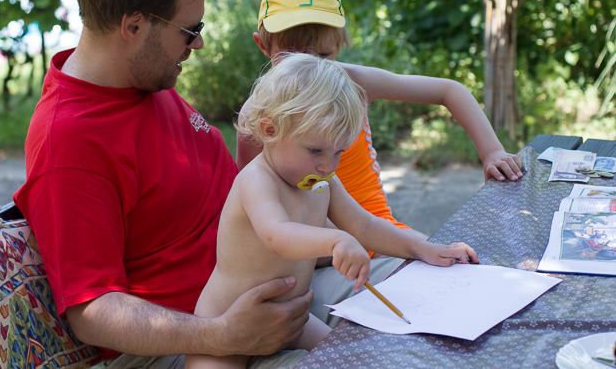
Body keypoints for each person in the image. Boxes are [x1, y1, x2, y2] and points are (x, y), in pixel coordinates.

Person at [12, 0, 412, 369]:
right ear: (133, 27)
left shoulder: (142, 80)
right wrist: (223, 333)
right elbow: (92, 312)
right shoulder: (69, 142)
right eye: (190, 30)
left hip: (277, 290)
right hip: (196, 339)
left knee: (422, 292)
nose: (197, 44)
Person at [185, 54, 478, 369]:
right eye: (315, 150)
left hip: (291, 320)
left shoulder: (322, 180)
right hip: (228, 329)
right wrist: (336, 240)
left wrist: (422, 247)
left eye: (339, 152)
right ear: (270, 130)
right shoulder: (256, 180)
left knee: (354, 360)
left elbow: (364, 226)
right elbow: (277, 235)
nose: (328, 165)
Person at [238, 0, 524, 247]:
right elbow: (251, 200)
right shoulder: (256, 116)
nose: (310, 67)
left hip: (379, 233)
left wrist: (492, 152)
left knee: (460, 263)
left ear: (339, 44)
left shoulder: (355, 83)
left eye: (323, 55)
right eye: (291, 56)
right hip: (311, 248)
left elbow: (449, 90)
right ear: (263, 45)